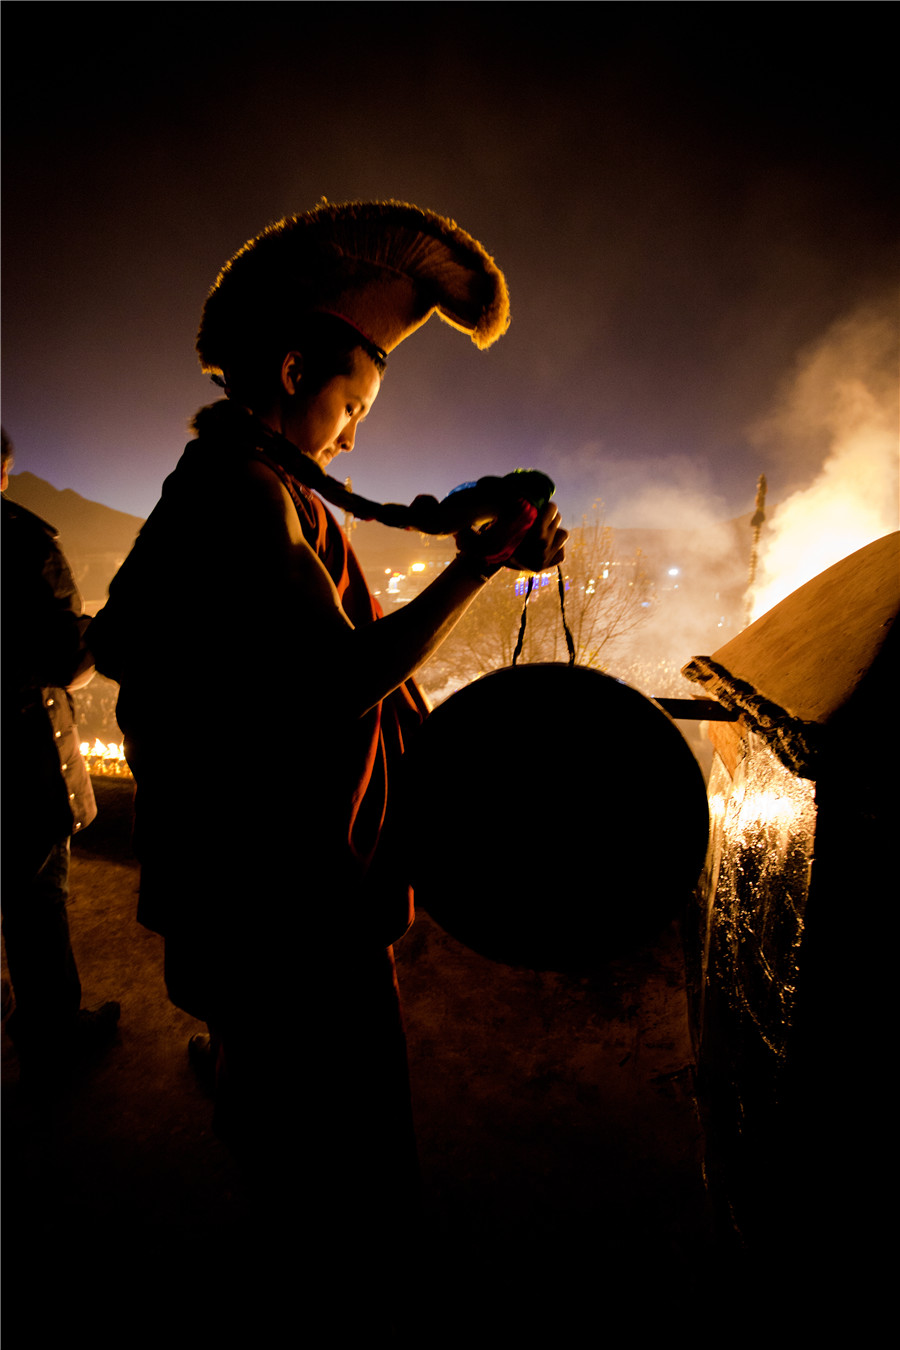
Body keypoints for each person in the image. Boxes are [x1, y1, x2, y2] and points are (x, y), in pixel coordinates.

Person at [89, 203, 566, 1253]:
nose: (353, 436)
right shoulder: (238, 492)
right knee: (336, 1120)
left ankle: (260, 1118)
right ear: (296, 370)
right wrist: (477, 564)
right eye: (352, 407)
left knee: (267, 1061)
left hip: (250, 863)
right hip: (279, 883)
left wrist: (458, 514)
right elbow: (340, 680)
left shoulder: (245, 479)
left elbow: (136, 635)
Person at [1, 428, 120, 1080]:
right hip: (18, 756)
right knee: (36, 897)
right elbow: (64, 661)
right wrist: (109, 627)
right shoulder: (22, 540)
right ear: (4, 470)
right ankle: (52, 1033)